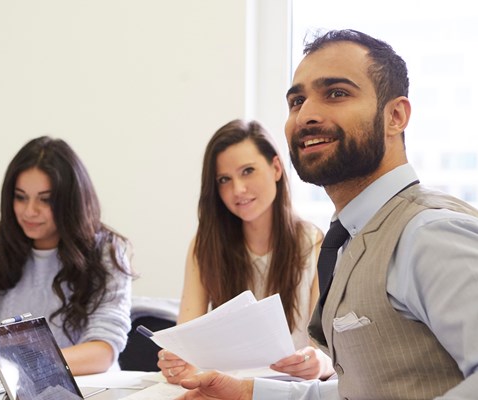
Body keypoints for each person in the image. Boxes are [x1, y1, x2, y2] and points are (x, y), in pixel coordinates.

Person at [175, 29, 478, 400]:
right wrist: (248, 394)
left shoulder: (430, 232)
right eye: (297, 101)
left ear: (395, 116)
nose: (307, 115)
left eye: (337, 93)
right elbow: (359, 391)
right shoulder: (351, 239)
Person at [158, 119, 334, 384]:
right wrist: (177, 361)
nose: (237, 190)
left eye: (248, 171)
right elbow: (186, 338)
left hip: (291, 391)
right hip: (226, 390)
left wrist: (317, 364)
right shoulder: (205, 246)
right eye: (224, 180)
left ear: (276, 168)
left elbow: (324, 351)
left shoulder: (314, 244)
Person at [0, 136, 133, 376]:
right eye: (20, 197)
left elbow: (103, 351)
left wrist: (22, 362)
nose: (30, 211)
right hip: (15, 385)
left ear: (70, 202)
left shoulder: (107, 253)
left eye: (46, 200)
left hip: (85, 386)